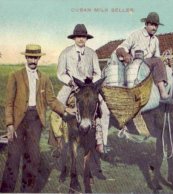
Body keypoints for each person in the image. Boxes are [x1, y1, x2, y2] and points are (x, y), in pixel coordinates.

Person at [0, 44, 75, 192]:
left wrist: (66, 109)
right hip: (17, 122)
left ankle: (27, 191)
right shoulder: (15, 76)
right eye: (30, 57)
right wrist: (9, 124)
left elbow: (52, 100)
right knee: (13, 158)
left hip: (35, 121)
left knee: (33, 159)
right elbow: (8, 103)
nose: (33, 60)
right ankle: (5, 190)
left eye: (35, 57)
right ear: (26, 57)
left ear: (39, 58)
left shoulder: (44, 78)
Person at [52, 24, 109, 178]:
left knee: (104, 109)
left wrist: (92, 84)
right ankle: (57, 143)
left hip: (89, 88)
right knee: (56, 110)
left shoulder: (92, 54)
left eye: (83, 36)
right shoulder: (66, 53)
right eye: (78, 36)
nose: (81, 39)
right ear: (74, 38)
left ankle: (101, 142)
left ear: (86, 38)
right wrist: (71, 82)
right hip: (71, 86)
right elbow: (60, 73)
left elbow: (97, 72)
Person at [115, 12, 173, 104]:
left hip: (150, 67)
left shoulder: (155, 40)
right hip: (137, 65)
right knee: (158, 62)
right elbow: (120, 48)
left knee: (170, 68)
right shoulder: (136, 35)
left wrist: (167, 62)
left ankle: (170, 94)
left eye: (156, 25)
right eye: (152, 25)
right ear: (146, 24)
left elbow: (157, 57)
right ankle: (163, 94)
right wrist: (125, 54)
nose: (154, 28)